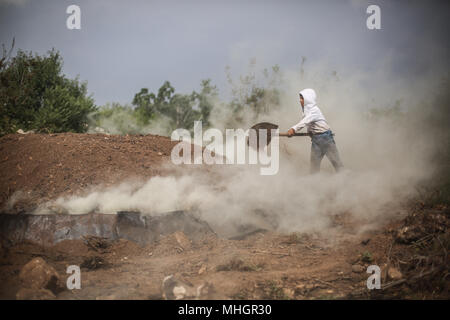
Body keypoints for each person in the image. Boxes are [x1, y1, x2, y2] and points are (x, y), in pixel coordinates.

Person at [287, 88, 344, 173]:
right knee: (314, 167)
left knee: (337, 164)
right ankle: (314, 184)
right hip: (316, 140)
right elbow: (310, 123)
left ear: (308, 99)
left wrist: (293, 129)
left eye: (302, 98)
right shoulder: (307, 112)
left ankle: (346, 180)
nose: (300, 101)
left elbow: (305, 122)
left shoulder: (314, 110)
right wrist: (310, 132)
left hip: (326, 138)